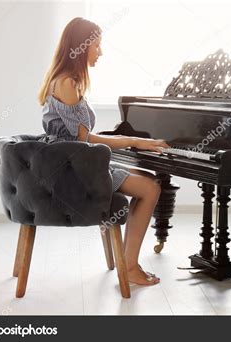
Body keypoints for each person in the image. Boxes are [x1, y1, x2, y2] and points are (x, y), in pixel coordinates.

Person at [38, 17, 168, 285]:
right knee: (151, 188)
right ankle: (129, 266)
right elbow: (86, 138)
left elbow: (84, 138)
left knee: (148, 178)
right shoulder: (66, 83)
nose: (100, 52)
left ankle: (124, 260)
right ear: (80, 46)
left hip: (77, 161)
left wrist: (131, 141)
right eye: (96, 46)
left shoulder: (68, 81)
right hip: (72, 169)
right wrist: (136, 142)